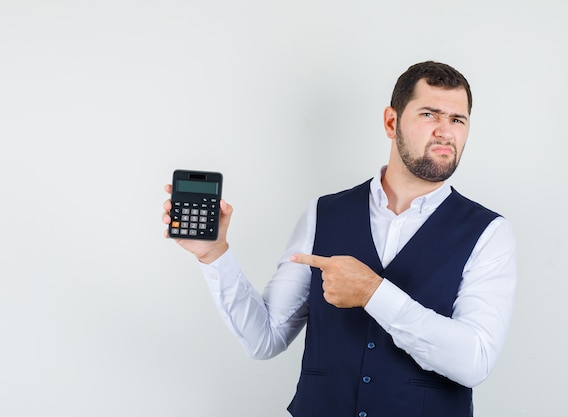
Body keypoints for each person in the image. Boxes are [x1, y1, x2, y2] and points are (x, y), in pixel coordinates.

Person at [162, 61, 516, 417]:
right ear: (391, 122)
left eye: (458, 119)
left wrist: (373, 293)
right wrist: (215, 254)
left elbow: (475, 361)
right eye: (430, 114)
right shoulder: (323, 213)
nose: (445, 131)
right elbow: (264, 338)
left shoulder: (489, 233)